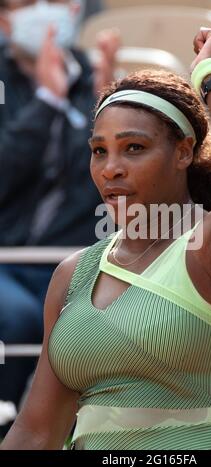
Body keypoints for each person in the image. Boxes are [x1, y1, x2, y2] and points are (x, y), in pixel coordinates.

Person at [0, 27, 211, 450]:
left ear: (184, 152)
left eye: (134, 147)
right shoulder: (72, 275)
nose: (111, 168)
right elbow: (36, 431)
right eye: (100, 151)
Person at [0, 0, 120, 435]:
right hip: (7, 260)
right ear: (4, 18)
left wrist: (107, 111)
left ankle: (82, 432)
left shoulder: (95, 79)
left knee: (101, 318)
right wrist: (47, 100)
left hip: (75, 259)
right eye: (27, 3)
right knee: (12, 318)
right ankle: (13, 425)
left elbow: (105, 185)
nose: (44, 11)